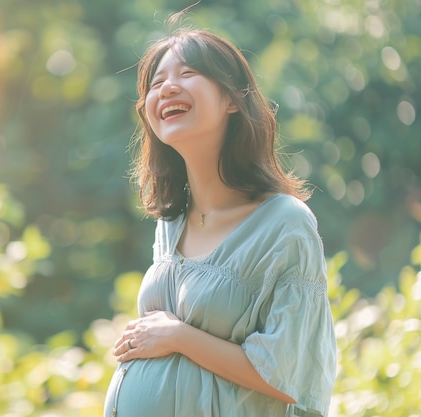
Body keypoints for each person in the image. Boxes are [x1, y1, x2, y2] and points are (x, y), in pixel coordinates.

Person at [103, 27, 337, 417]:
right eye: (157, 82)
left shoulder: (285, 224)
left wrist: (178, 336)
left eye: (188, 74)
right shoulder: (172, 223)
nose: (168, 88)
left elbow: (293, 377)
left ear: (231, 98)